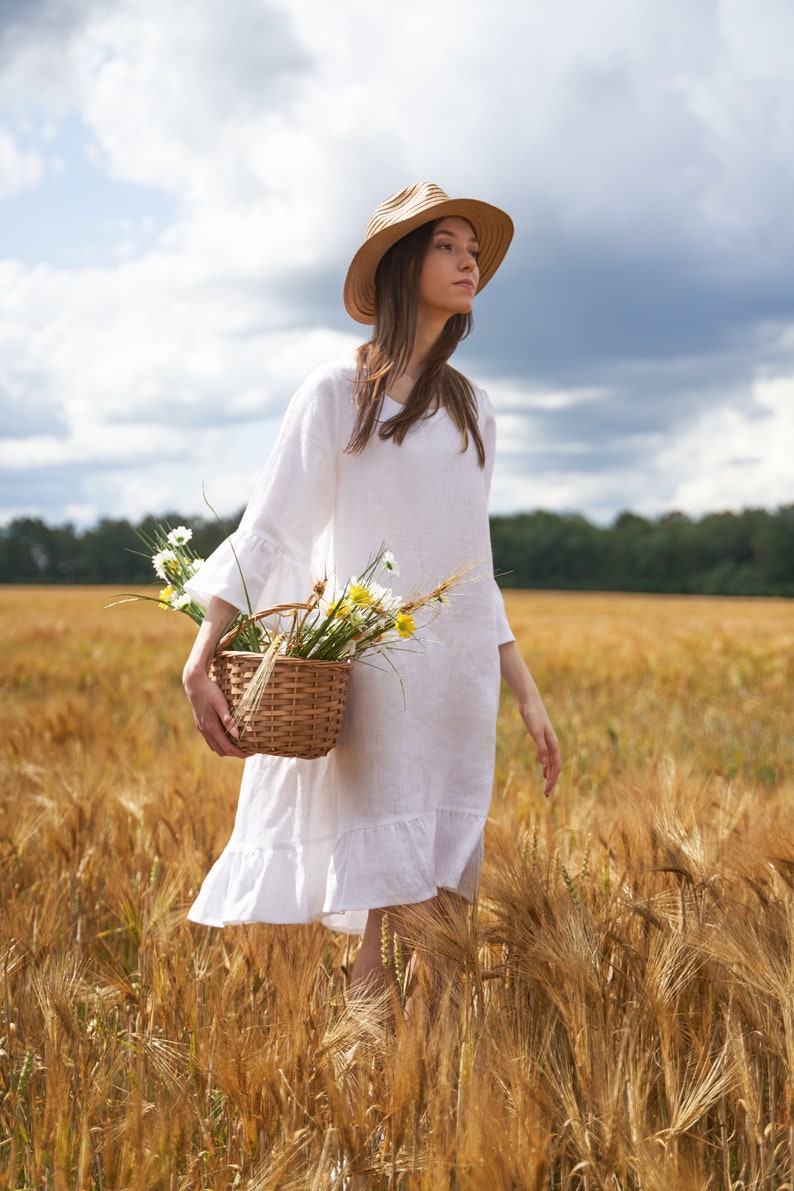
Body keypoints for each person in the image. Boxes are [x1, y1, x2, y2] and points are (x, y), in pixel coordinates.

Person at [181, 182, 561, 999]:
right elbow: (272, 527)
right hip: (379, 674)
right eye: (448, 246)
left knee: (448, 900)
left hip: (461, 679)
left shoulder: (476, 412)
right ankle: (384, 1082)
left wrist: (526, 693)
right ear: (402, 265)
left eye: (474, 250)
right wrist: (202, 652)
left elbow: (476, 565)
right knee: (398, 885)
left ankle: (407, 1091)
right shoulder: (334, 394)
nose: (470, 263)